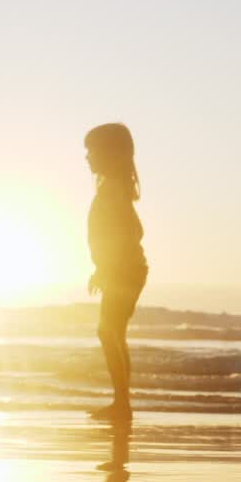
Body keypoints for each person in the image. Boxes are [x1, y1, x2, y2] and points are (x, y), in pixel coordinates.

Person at [85, 122, 146, 421]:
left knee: (108, 331)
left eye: (92, 151)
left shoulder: (113, 190)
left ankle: (122, 404)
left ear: (109, 153)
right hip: (124, 270)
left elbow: (129, 232)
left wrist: (109, 268)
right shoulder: (112, 187)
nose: (87, 157)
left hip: (125, 271)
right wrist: (101, 269)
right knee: (113, 333)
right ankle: (122, 403)